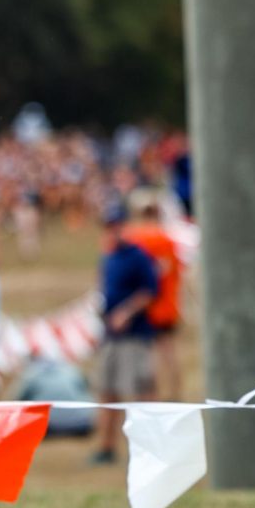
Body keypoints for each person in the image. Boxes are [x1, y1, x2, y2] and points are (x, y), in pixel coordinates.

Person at [91, 203, 159, 465]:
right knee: (107, 391)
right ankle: (107, 447)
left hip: (135, 336)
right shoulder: (107, 258)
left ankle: (149, 447)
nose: (112, 231)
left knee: (140, 392)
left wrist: (126, 313)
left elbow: (149, 291)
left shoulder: (139, 257)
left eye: (115, 226)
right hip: (111, 336)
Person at [122, 189, 183, 401]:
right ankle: (175, 393)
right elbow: (176, 271)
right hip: (168, 304)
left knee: (148, 356)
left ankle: (153, 395)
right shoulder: (168, 239)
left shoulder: (136, 239)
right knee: (168, 352)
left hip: (147, 305)